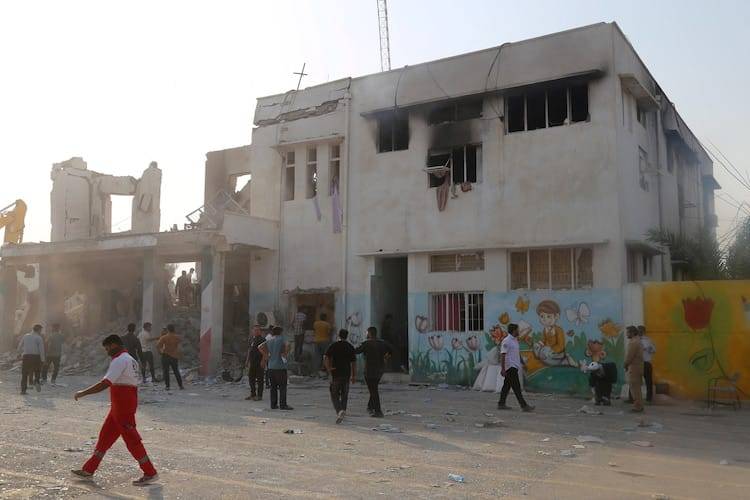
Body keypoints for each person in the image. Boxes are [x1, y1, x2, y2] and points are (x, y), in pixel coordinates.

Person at [71, 334, 158, 486]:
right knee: (105, 436)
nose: (107, 352)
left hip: (123, 405)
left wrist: (83, 393)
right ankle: (89, 469)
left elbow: (106, 383)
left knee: (131, 439)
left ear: (114, 345)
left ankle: (150, 472)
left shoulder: (120, 360)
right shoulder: (130, 359)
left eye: (107, 349)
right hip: (121, 404)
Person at [355, 326, 392, 418]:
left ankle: (378, 411)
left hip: (369, 370)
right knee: (374, 389)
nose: (366, 334)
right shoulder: (383, 343)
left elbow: (356, 351)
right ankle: (370, 407)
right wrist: (386, 358)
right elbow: (391, 351)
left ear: (369, 333)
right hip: (379, 370)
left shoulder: (366, 343)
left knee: (373, 391)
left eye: (367, 332)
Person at [497, 323, 534, 412]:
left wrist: (523, 363)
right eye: (517, 330)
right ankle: (524, 406)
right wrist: (503, 369)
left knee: (506, 386)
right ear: (514, 331)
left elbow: (517, 353)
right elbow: (503, 355)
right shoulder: (506, 341)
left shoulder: (515, 340)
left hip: (515, 366)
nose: (519, 331)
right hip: (510, 367)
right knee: (517, 387)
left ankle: (501, 404)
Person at [324, 329, 357, 424]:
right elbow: (354, 363)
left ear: (338, 335)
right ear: (347, 336)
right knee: (344, 395)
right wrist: (354, 376)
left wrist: (328, 368)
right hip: (346, 374)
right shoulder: (350, 346)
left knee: (334, 394)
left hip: (335, 373)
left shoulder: (334, 345)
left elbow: (325, 357)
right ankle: (343, 411)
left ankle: (339, 411)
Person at [259, 326, 293, 410]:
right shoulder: (282, 339)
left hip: (271, 366)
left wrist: (266, 355)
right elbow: (288, 345)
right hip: (280, 367)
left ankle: (273, 404)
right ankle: (283, 404)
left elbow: (260, 347)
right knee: (282, 386)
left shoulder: (269, 340)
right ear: (281, 332)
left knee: (273, 387)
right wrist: (285, 353)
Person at [18, 324, 45, 394]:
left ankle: (23, 390)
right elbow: (41, 350)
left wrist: (19, 353)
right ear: (39, 330)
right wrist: (42, 360)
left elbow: (20, 346)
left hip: (26, 356)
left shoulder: (25, 336)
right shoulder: (39, 338)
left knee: (24, 374)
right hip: (36, 357)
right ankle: (36, 381)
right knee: (37, 370)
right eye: (41, 330)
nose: (41, 331)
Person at [624, 325, 645, 413]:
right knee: (636, 387)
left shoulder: (634, 342)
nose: (626, 334)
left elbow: (630, 356)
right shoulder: (638, 340)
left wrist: (625, 364)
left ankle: (638, 406)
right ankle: (639, 405)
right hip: (638, 366)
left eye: (628, 332)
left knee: (634, 387)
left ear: (632, 333)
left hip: (634, 367)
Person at [157, 324, 183, 391]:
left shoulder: (164, 337)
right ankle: (180, 385)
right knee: (176, 371)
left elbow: (158, 345)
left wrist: (160, 352)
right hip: (174, 356)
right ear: (174, 329)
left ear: (168, 329)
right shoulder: (177, 337)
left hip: (165, 355)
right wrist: (179, 354)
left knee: (166, 371)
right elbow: (180, 347)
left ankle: (167, 386)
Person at [245, 325, 266, 401]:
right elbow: (249, 350)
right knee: (251, 378)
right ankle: (253, 394)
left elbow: (265, 351)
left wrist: (263, 361)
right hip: (252, 362)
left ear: (260, 331)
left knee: (260, 379)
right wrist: (247, 360)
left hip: (259, 362)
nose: (256, 331)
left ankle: (259, 395)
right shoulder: (251, 339)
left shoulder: (263, 340)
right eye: (254, 330)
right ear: (252, 331)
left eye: (257, 330)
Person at [638, 325, 656, 403]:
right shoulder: (635, 340)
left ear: (644, 331)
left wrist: (648, 349)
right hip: (637, 363)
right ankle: (632, 398)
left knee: (648, 382)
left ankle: (649, 399)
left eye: (641, 330)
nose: (639, 332)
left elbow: (654, 350)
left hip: (646, 362)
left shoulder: (648, 340)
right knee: (634, 381)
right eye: (638, 330)